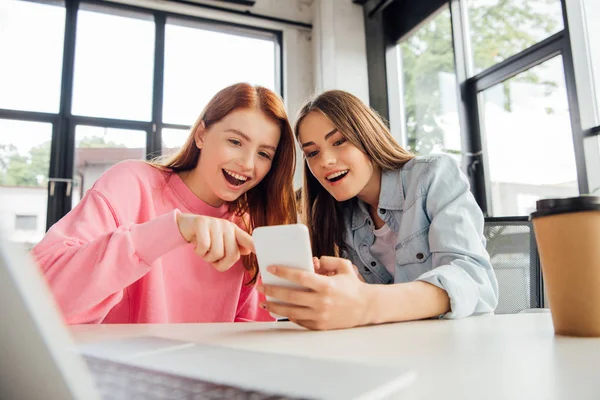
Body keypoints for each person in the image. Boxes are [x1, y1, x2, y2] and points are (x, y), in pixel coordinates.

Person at [32, 83, 297, 324]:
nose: (248, 164)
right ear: (202, 134)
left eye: (263, 154)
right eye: (235, 141)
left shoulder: (248, 228)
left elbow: (249, 335)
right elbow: (40, 294)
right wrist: (174, 229)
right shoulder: (132, 184)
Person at [257, 90, 498, 330]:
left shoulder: (432, 176)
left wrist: (367, 302)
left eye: (339, 141)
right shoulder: (336, 216)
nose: (325, 161)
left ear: (366, 136)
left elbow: (475, 282)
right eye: (312, 153)